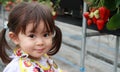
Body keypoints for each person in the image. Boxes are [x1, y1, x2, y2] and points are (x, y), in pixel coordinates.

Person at [0, 2, 62, 72]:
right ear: (15, 38)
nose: (40, 42)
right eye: (32, 36)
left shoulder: (44, 58)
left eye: (46, 35)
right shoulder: (16, 68)